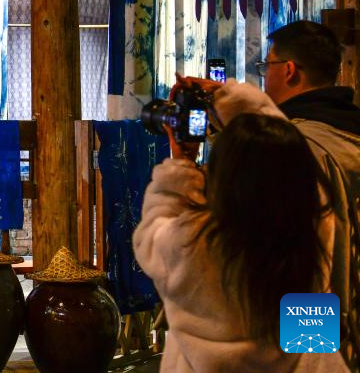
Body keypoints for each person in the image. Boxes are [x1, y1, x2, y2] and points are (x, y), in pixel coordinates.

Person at [133, 113, 348, 372]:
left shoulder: (190, 242)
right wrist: (235, 100)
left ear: (222, 174)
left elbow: (153, 228)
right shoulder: (308, 237)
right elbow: (315, 346)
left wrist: (182, 164)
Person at [258, 20, 360, 136]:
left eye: (267, 65)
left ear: (289, 71)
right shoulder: (350, 122)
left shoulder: (286, 140)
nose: (265, 74)